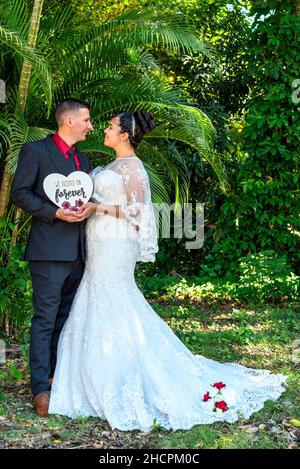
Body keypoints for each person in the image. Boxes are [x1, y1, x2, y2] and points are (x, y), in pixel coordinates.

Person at [48, 110, 286, 431]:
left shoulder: (133, 167)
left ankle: (121, 377)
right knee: (96, 294)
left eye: (110, 126)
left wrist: (96, 207)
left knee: (114, 296)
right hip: (98, 239)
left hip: (116, 243)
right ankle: (87, 380)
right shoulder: (111, 166)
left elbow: (137, 209)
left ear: (124, 135)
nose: (104, 130)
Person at [10, 99, 94, 417]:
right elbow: (20, 193)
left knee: (64, 320)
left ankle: (58, 380)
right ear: (68, 120)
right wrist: (54, 212)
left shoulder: (82, 159)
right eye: (86, 120)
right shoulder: (35, 151)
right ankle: (40, 390)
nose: (90, 126)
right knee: (44, 320)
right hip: (47, 252)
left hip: (78, 253)